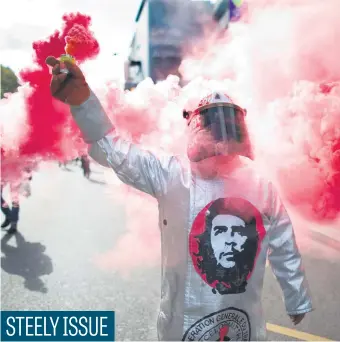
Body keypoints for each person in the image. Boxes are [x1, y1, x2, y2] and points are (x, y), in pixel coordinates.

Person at [45, 56, 313, 341]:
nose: (220, 137)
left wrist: (296, 297)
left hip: (242, 325)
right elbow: (113, 150)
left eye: (227, 127)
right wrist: (82, 100)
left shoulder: (259, 186)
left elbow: (284, 245)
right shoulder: (172, 175)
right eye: (212, 126)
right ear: (197, 128)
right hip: (181, 325)